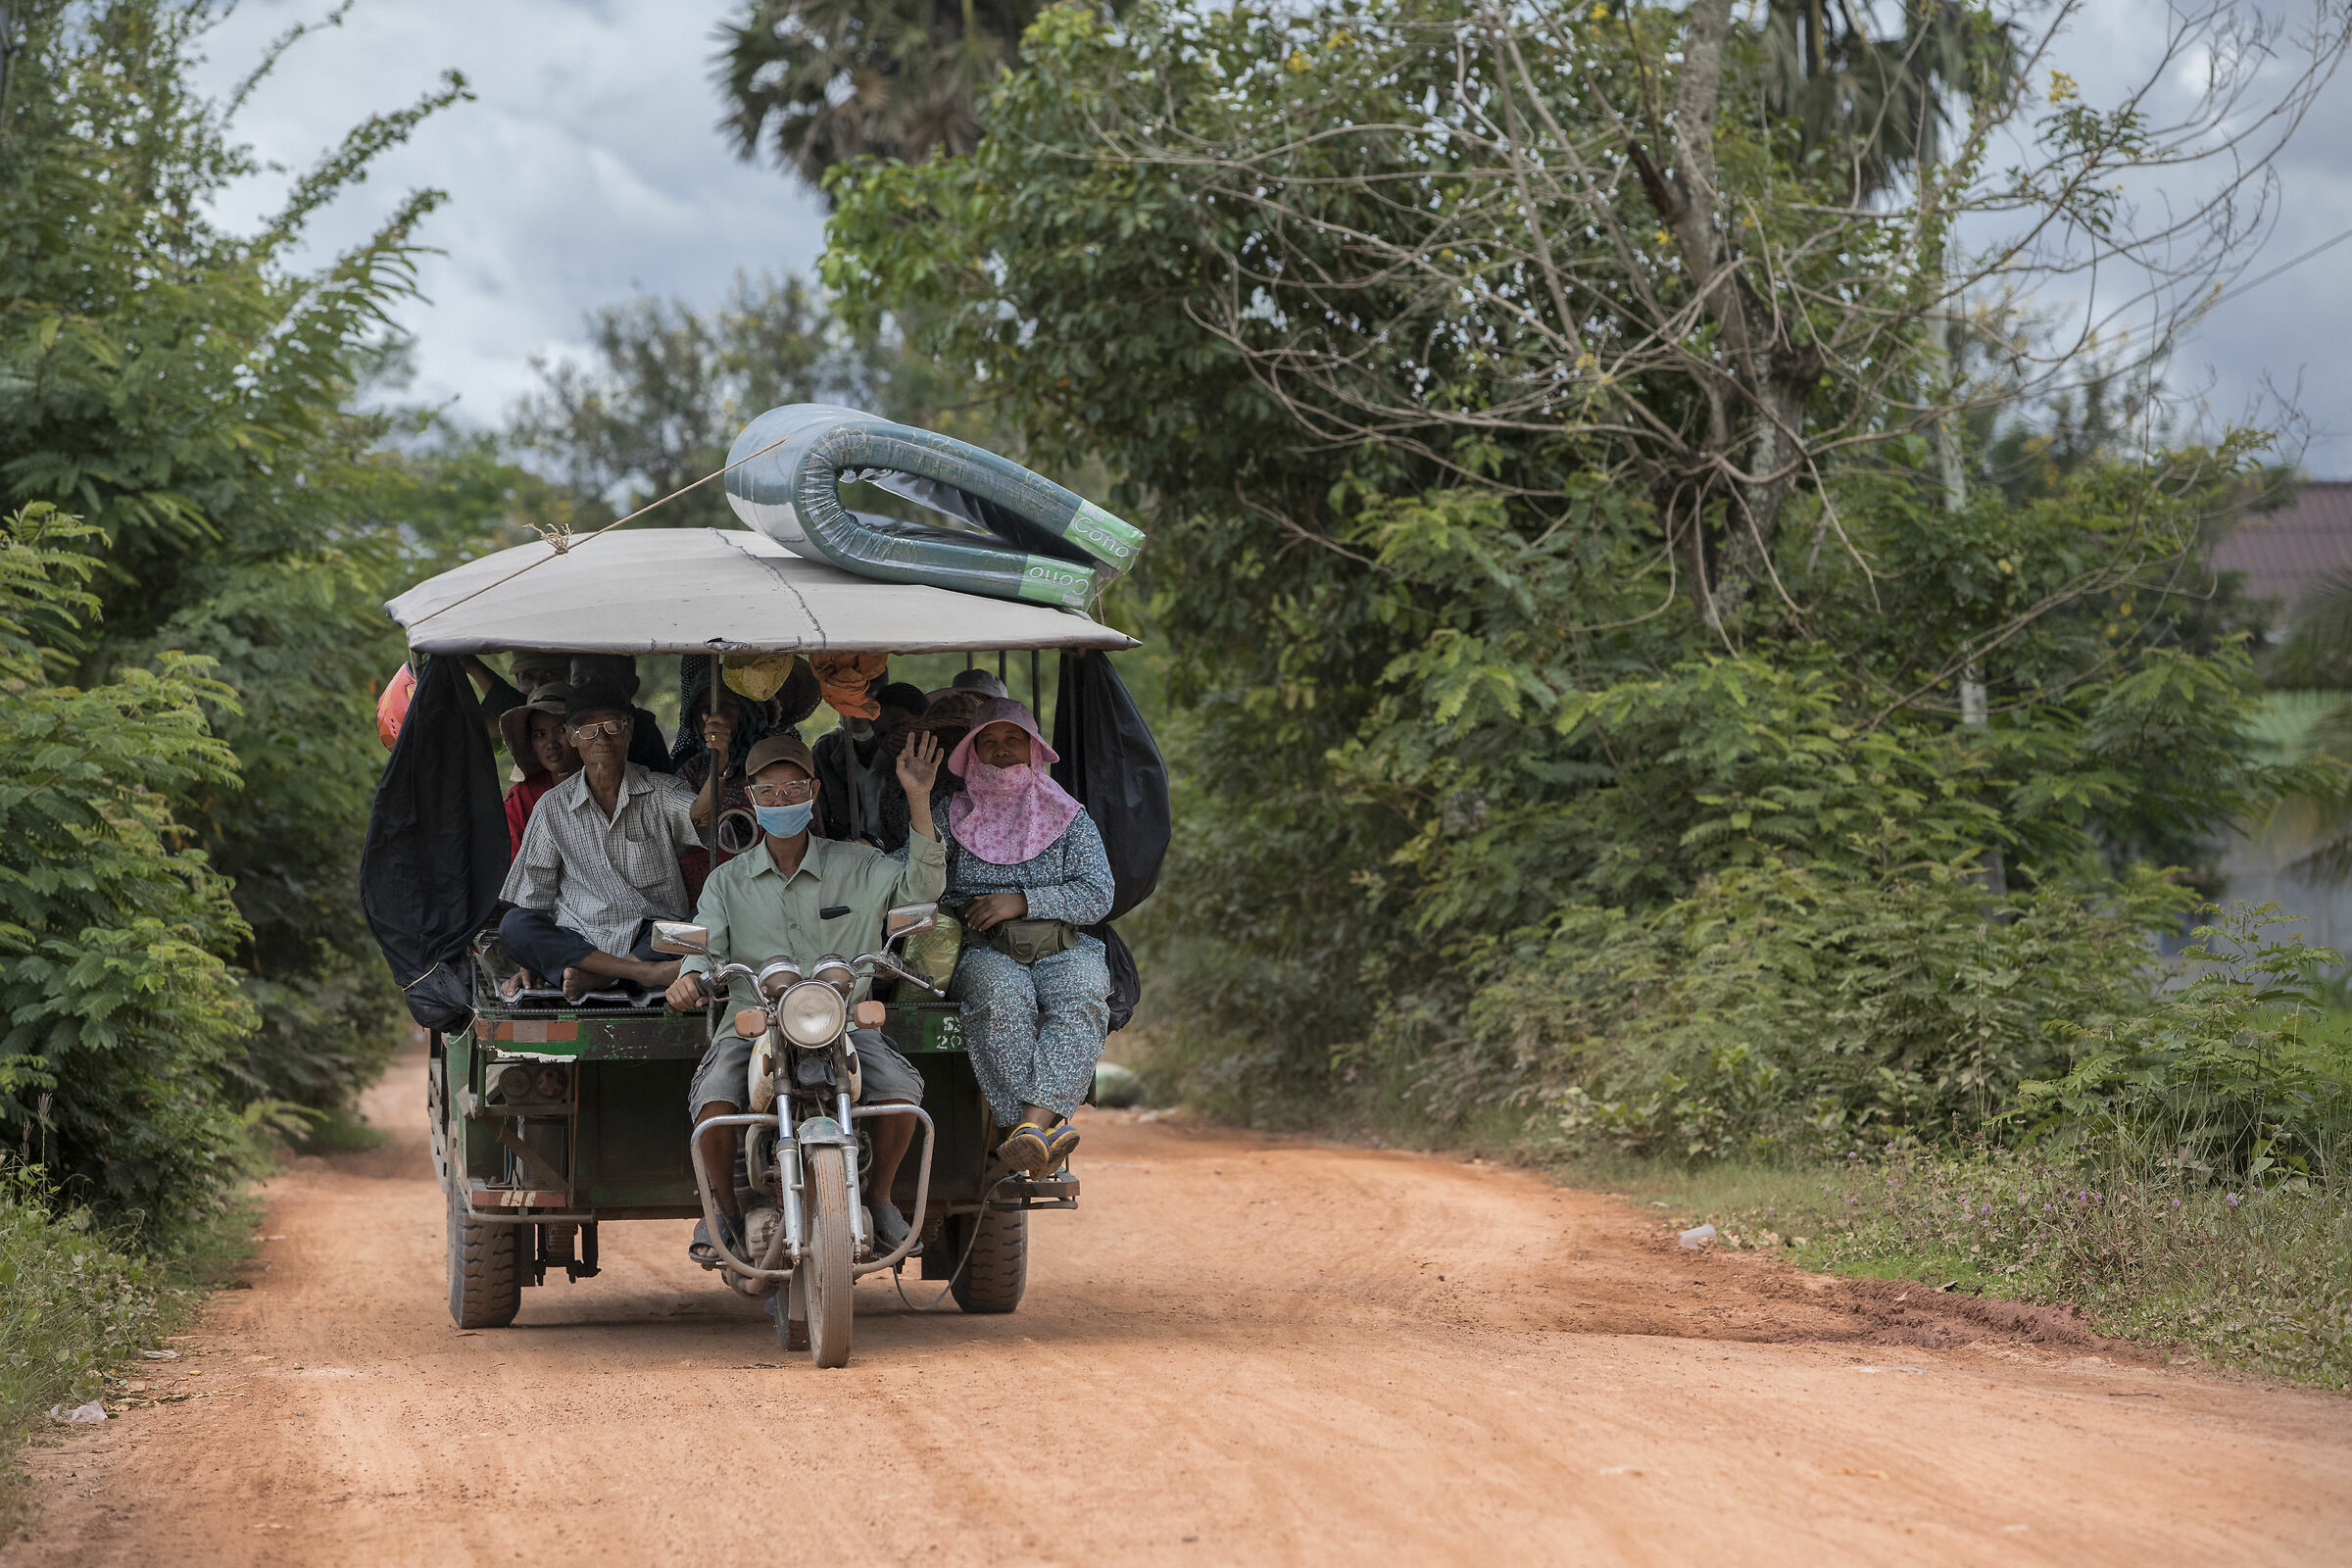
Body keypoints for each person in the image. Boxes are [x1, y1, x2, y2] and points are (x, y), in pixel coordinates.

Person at [662, 729, 947, 1261]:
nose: (781, 800)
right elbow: (705, 946)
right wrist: (691, 976)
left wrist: (918, 797)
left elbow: (922, 892)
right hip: (753, 1023)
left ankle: (881, 1200)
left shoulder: (860, 866)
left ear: (813, 792)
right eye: (768, 791)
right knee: (714, 1102)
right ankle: (722, 1211)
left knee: (902, 1093)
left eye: (793, 788)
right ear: (751, 799)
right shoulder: (727, 882)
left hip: (845, 1023)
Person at [933, 698, 1114, 1174]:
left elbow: (1098, 894)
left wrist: (1023, 900)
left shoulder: (1068, 815)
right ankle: (1035, 1136)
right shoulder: (949, 813)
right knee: (1002, 997)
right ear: (972, 754)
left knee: (1084, 994)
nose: (1001, 750)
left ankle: (1027, 1129)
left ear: (1033, 748)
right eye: (988, 742)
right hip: (984, 949)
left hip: (1061, 947)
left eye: (1013, 739)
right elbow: (915, 875)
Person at [498, 687, 706, 1003]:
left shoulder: (661, 790)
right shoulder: (551, 807)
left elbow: (700, 814)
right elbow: (534, 901)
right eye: (588, 730)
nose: (602, 738)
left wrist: (720, 758)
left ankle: (604, 976)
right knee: (515, 926)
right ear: (573, 736)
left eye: (612, 726)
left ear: (629, 730)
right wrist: (529, 961)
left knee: (708, 923)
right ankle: (643, 974)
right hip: (582, 941)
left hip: (652, 937)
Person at [812, 681, 929, 851]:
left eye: (865, 701)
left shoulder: (918, 769)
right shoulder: (824, 752)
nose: (857, 711)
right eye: (847, 702)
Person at [497, 682, 581, 857]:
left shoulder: (605, 785)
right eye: (539, 734)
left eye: (560, 730)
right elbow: (515, 863)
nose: (551, 744)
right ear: (530, 743)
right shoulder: (521, 798)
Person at [568, 654, 675, 774]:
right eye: (579, 681)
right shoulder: (566, 727)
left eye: (603, 680)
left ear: (632, 686)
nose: (591, 688)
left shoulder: (642, 728)